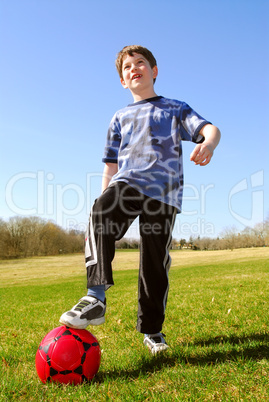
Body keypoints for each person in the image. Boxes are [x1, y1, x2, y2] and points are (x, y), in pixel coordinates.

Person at [60, 45, 221, 354]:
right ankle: (96, 298)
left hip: (164, 193)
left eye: (140, 63)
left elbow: (209, 128)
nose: (134, 68)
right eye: (127, 67)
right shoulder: (119, 117)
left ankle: (153, 331)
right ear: (123, 81)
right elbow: (110, 166)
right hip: (128, 183)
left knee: (154, 264)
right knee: (101, 212)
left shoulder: (175, 108)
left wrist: (209, 144)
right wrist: (103, 199)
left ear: (154, 70)